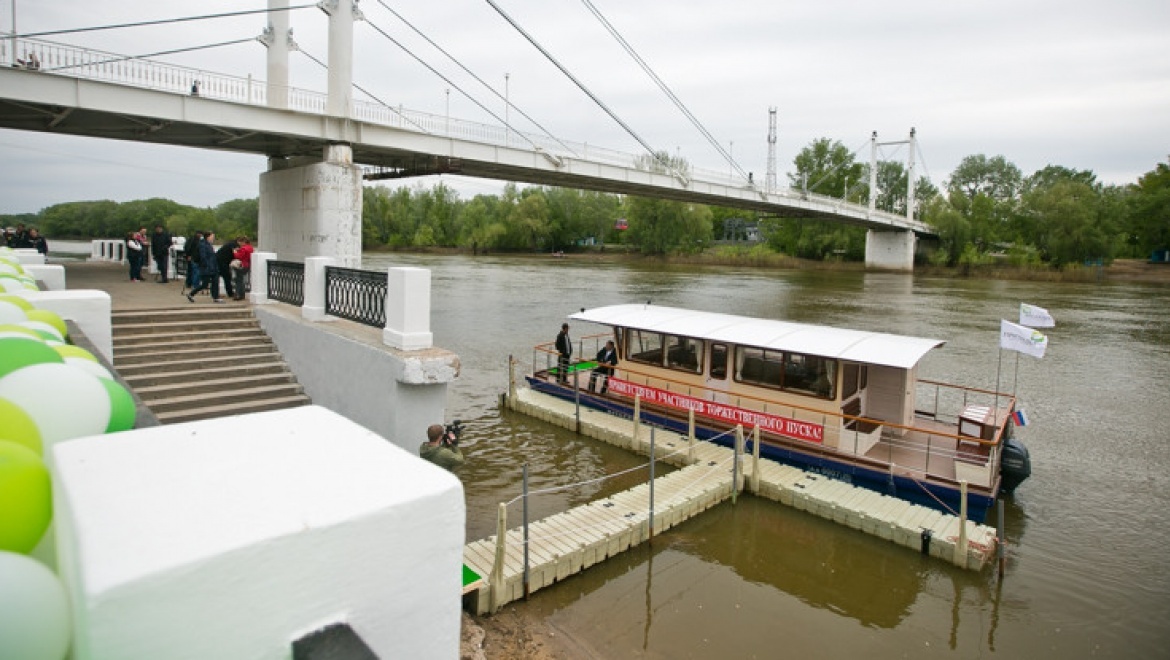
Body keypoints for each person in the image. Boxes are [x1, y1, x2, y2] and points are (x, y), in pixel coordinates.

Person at [186, 231, 224, 303]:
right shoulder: (203, 245)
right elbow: (203, 257)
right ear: (208, 237)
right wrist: (207, 265)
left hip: (212, 267)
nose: (213, 238)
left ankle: (215, 297)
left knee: (215, 282)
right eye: (212, 237)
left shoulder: (208, 244)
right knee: (205, 284)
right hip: (207, 268)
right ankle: (191, 294)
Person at [231, 236, 254, 301]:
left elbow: (239, 256)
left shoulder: (243, 248)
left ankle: (238, 294)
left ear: (243, 242)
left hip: (242, 265)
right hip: (247, 265)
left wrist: (235, 252)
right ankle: (242, 294)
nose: (239, 244)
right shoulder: (250, 247)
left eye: (240, 242)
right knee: (241, 279)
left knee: (238, 280)